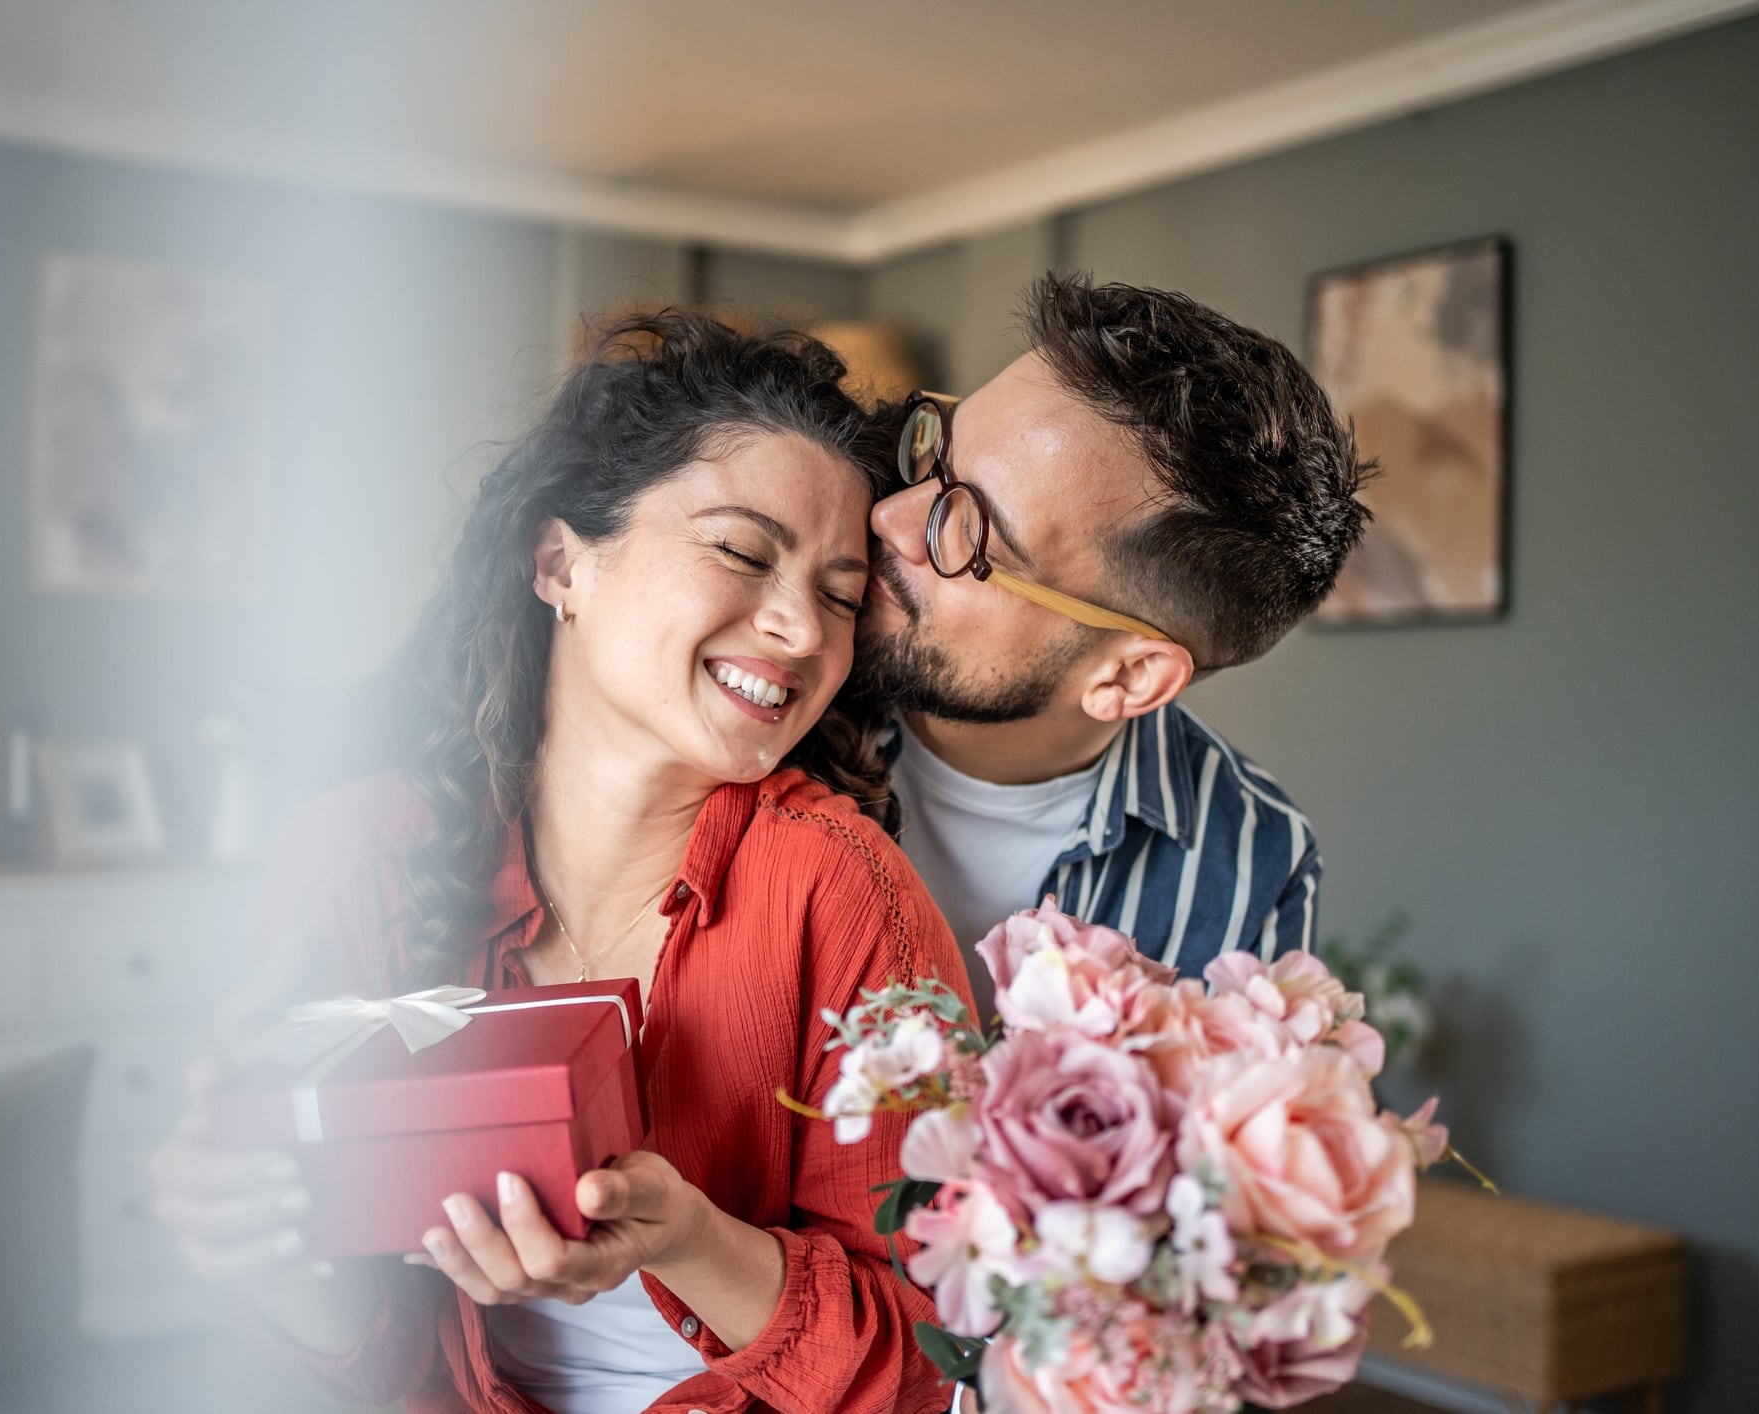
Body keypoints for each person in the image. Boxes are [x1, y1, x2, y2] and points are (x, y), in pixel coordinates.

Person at [149, 313, 973, 1414]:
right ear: (560, 563)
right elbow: (363, 1362)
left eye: (837, 591)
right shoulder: (354, 864)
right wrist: (265, 1238)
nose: (798, 628)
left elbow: (931, 1365)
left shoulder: (843, 892)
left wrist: (685, 1238)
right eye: (741, 549)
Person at [853, 274, 1373, 1017]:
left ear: (1128, 675)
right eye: (936, 456)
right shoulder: (769, 702)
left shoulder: (1253, 861)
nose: (891, 519)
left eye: (969, 533)